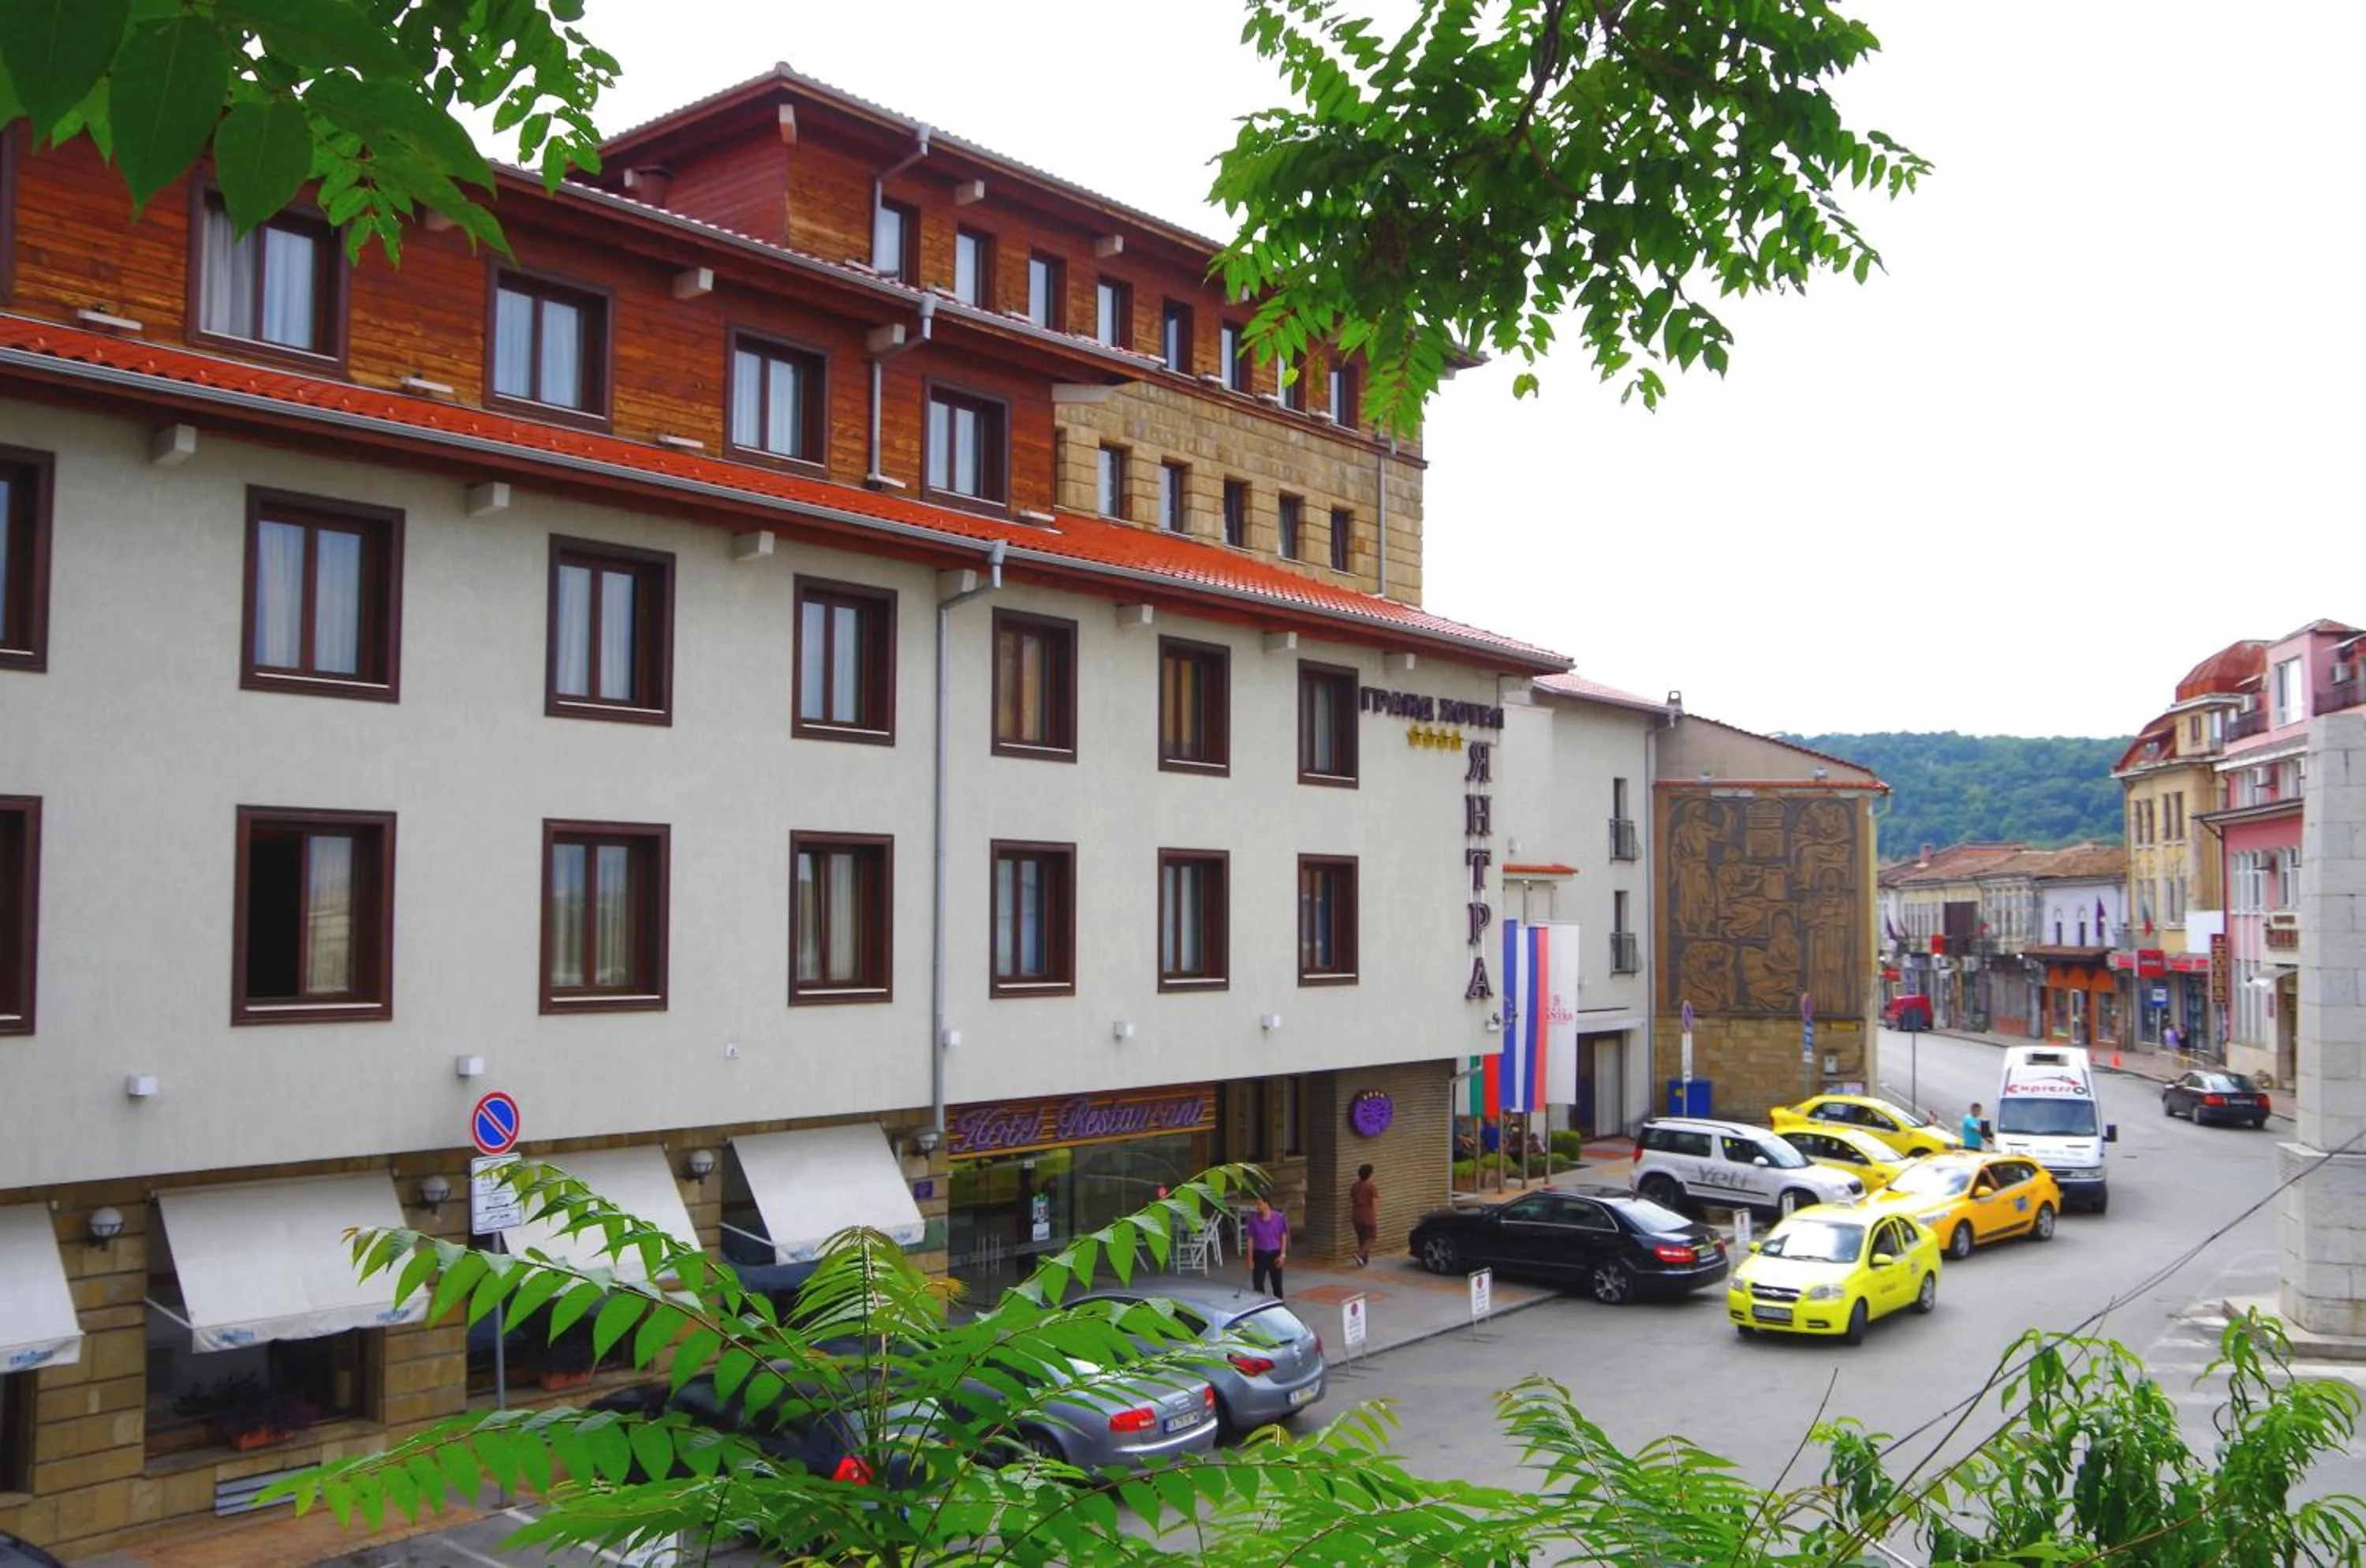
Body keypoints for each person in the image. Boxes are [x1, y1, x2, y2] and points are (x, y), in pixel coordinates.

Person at [1244, 1194, 1289, 1299]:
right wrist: (1250, 1260)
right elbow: (1250, 1240)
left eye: (1259, 1204)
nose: (1257, 1207)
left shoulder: (1279, 1218)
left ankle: (1278, 1306)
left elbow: (1283, 1235)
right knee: (1258, 1283)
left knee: (1277, 1284)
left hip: (1275, 1253)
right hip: (1260, 1254)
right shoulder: (1253, 1221)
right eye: (1256, 1204)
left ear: (1266, 1204)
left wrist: (1282, 1254)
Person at [1349, 1164, 1379, 1267]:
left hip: (1356, 1215)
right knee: (1372, 1236)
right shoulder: (1371, 1186)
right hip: (1368, 1215)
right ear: (1370, 1174)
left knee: (1362, 1238)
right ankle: (1360, 1254)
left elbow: (1352, 1198)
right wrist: (1375, 1215)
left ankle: (1363, 1261)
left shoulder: (1355, 1186)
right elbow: (1374, 1202)